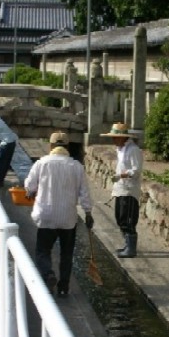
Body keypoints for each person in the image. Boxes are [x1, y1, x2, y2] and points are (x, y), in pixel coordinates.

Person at [24, 132, 94, 297]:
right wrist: (88, 212)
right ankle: (63, 287)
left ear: (51, 147)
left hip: (46, 216)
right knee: (66, 254)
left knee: (43, 251)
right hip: (68, 218)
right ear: (67, 147)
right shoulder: (76, 167)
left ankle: (48, 274)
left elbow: (29, 185)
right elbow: (84, 193)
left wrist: (29, 192)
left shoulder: (42, 164)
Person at [100, 122, 143, 258]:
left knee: (128, 218)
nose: (113, 140)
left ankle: (131, 248)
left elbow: (136, 170)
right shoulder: (121, 149)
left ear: (122, 137)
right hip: (120, 188)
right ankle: (127, 244)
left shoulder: (133, 150)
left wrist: (122, 175)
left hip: (129, 189)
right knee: (120, 217)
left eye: (115, 137)